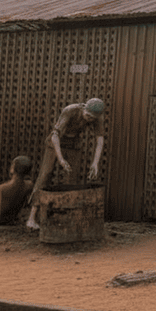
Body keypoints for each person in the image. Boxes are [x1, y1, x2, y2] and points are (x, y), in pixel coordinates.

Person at [26, 98, 105, 231]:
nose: (89, 119)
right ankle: (31, 218)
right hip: (56, 143)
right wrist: (61, 159)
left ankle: (67, 218)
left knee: (72, 180)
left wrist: (95, 163)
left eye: (92, 118)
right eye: (88, 116)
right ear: (84, 108)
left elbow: (100, 139)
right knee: (45, 175)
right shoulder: (70, 111)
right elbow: (55, 135)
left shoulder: (97, 117)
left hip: (73, 145)